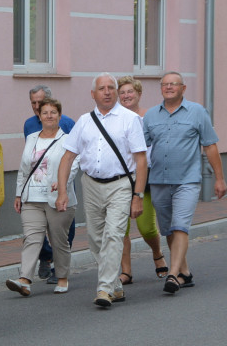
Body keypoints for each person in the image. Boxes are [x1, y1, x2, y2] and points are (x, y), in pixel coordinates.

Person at [56, 73, 147, 308]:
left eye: (111, 88)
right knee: (96, 239)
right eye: (102, 88)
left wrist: (138, 196)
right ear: (93, 94)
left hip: (121, 184)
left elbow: (141, 160)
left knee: (114, 234)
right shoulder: (84, 121)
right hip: (91, 184)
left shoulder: (130, 119)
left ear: (116, 92)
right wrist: (63, 191)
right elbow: (68, 157)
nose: (107, 92)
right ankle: (115, 285)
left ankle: (104, 288)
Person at [143, 72, 227, 294]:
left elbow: (210, 145)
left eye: (174, 84)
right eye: (165, 84)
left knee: (180, 225)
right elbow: (139, 149)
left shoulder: (197, 112)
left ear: (183, 88)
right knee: (169, 229)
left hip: (187, 181)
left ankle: (173, 274)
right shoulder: (151, 116)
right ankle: (185, 272)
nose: (169, 87)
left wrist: (219, 178)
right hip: (159, 180)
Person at [8, 98, 77, 295]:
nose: (48, 116)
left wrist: (63, 182)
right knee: (31, 238)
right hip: (32, 197)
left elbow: (74, 164)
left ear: (60, 116)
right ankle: (24, 280)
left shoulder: (68, 140)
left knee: (58, 240)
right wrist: (18, 193)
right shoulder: (31, 138)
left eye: (53, 112)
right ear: (39, 116)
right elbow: (23, 169)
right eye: (45, 112)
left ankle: (62, 277)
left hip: (57, 197)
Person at [116, 76, 167, 283]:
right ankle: (126, 270)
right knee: (120, 228)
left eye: (130, 92)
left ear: (139, 94)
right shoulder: (115, 118)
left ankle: (157, 254)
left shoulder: (150, 117)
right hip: (120, 178)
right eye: (123, 93)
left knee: (146, 227)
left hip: (146, 177)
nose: (126, 96)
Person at [23, 85, 76, 283]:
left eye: (41, 102)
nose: (37, 107)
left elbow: (74, 154)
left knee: (62, 228)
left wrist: (63, 182)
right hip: (37, 184)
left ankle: (59, 268)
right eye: (33, 103)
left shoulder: (68, 123)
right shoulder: (29, 125)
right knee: (35, 228)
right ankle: (46, 255)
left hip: (61, 181)